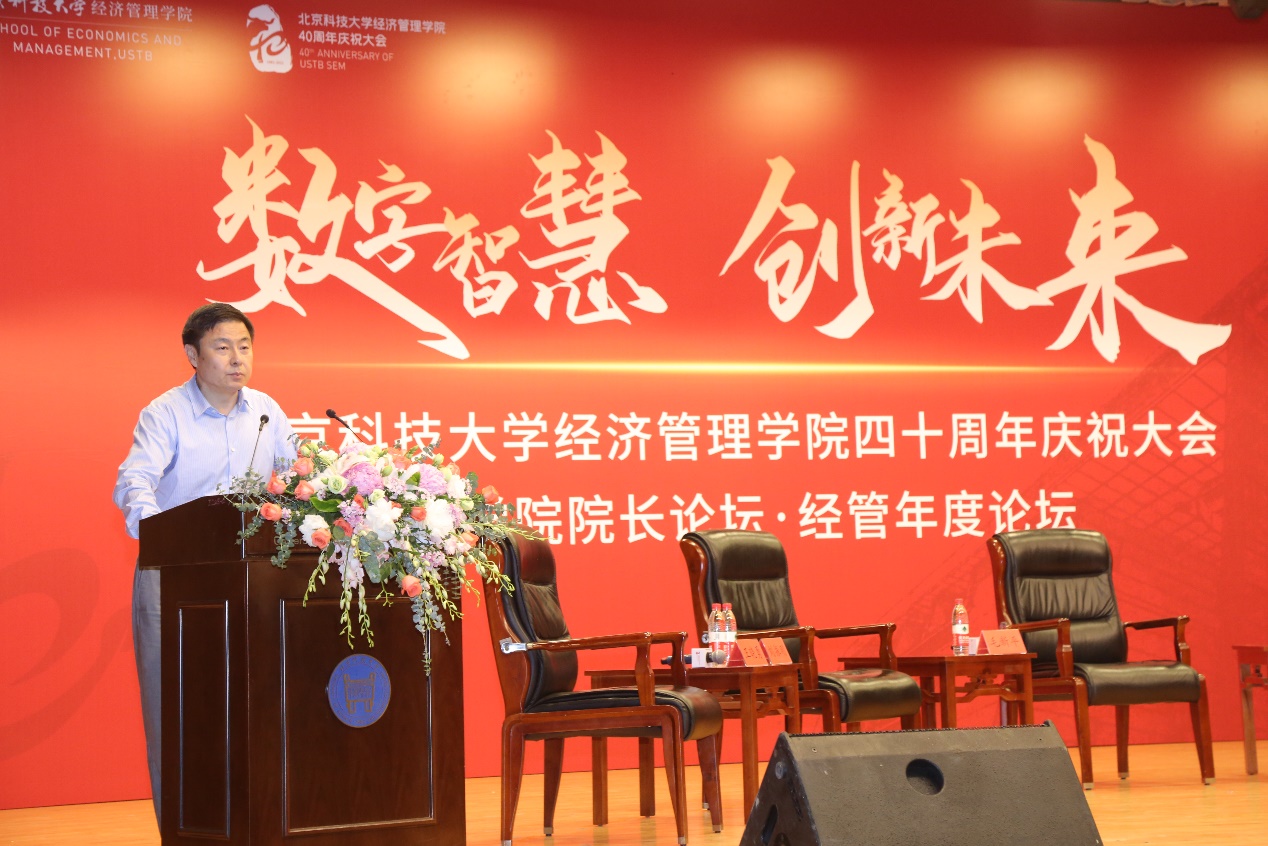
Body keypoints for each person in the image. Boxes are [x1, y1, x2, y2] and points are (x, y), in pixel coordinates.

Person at [113, 303, 296, 825]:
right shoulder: (165, 413)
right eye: (222, 347)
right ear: (193, 356)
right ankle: (186, 827)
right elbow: (134, 481)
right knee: (176, 708)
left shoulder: (266, 411)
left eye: (244, 346)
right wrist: (161, 536)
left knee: (259, 703)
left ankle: (259, 824)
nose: (237, 358)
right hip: (175, 577)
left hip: (254, 579)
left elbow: (299, 476)